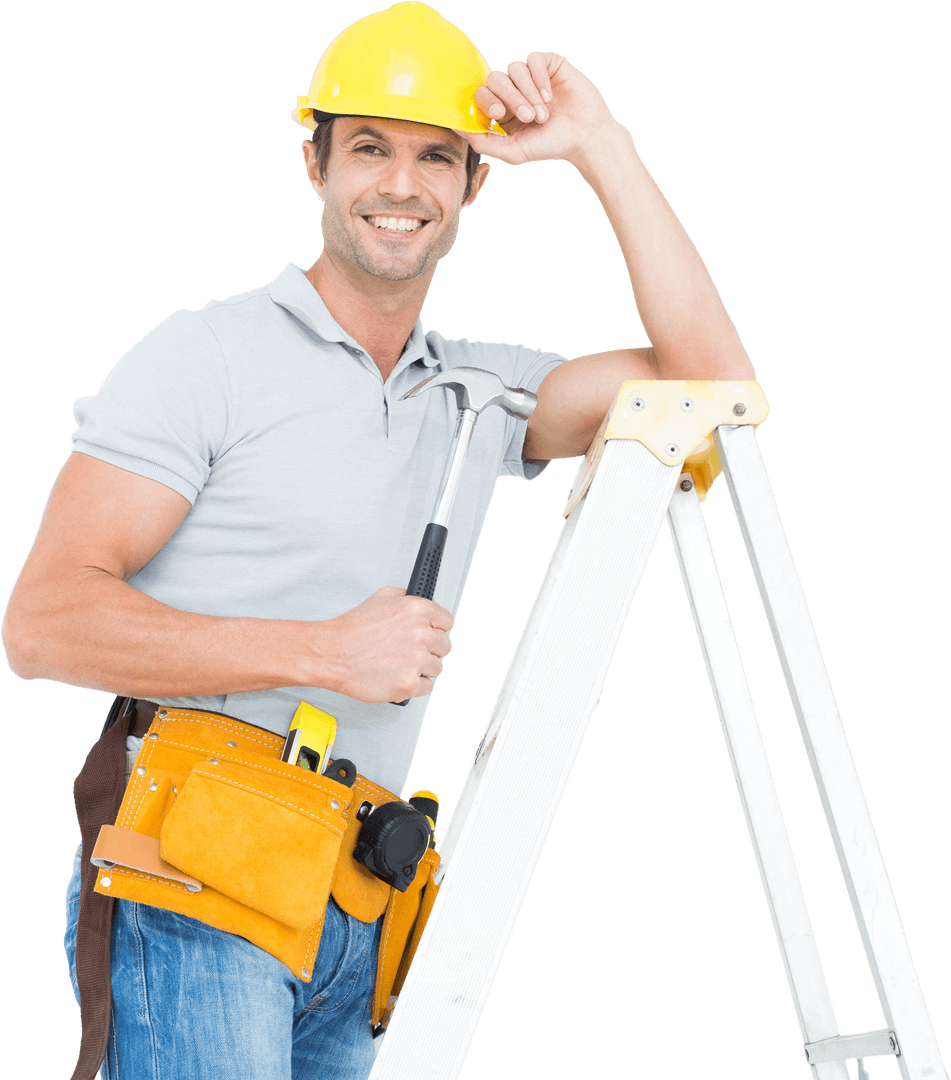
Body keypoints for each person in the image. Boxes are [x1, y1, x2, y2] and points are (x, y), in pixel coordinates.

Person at [2, 3, 754, 1078]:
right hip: (200, 868)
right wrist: (321, 652)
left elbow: (714, 389)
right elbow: (42, 623)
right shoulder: (204, 357)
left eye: (435, 157)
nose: (400, 185)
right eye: (368, 148)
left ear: (472, 183)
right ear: (316, 163)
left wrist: (603, 146)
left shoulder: (480, 388)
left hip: (366, 889)